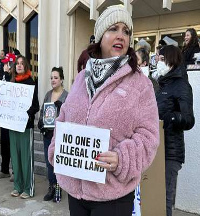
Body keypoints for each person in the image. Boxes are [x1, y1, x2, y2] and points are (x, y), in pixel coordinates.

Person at [48, 5, 159, 216]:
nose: (121, 36)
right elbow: (63, 118)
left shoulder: (140, 84)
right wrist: (57, 148)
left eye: (126, 31)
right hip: (76, 192)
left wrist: (122, 159)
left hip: (113, 196)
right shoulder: (82, 77)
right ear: (100, 36)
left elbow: (149, 137)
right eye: (114, 29)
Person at [155, 45, 195, 216]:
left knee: (164, 200)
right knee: (151, 197)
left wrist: (169, 118)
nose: (157, 62)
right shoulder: (160, 84)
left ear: (171, 60)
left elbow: (188, 119)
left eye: (161, 59)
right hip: (155, 150)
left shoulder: (181, 85)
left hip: (170, 153)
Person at [9, 55, 39, 199]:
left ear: (26, 66)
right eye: (17, 64)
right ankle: (17, 186)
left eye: (22, 63)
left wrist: (24, 113)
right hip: (12, 126)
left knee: (26, 159)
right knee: (15, 158)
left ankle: (28, 188)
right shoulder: (11, 83)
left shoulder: (31, 83)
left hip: (25, 126)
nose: (19, 65)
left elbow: (36, 106)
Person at [38, 67, 68, 202]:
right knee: (49, 161)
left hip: (60, 135)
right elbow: (42, 111)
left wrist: (61, 107)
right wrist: (40, 123)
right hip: (48, 134)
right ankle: (51, 186)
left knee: (59, 162)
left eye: (56, 78)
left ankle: (58, 187)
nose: (53, 80)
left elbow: (70, 114)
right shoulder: (48, 94)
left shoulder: (67, 95)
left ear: (61, 79)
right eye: (51, 78)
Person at [0, 53, 16, 179]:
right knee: (5, 144)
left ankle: (15, 171)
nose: (6, 66)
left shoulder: (16, 77)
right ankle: (4, 169)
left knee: (14, 145)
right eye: (5, 63)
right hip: (3, 117)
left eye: (8, 63)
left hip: (14, 118)